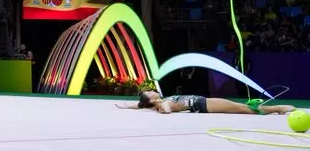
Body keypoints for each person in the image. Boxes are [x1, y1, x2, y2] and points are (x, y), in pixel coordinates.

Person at [123, 91, 295, 115]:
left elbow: (140, 105)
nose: (153, 90)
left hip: (204, 102)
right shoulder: (162, 103)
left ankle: (276, 109)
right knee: (244, 109)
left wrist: (126, 106)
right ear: (153, 99)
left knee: (241, 107)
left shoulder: (155, 101)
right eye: (150, 92)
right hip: (204, 105)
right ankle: (278, 109)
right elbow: (165, 110)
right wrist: (165, 107)